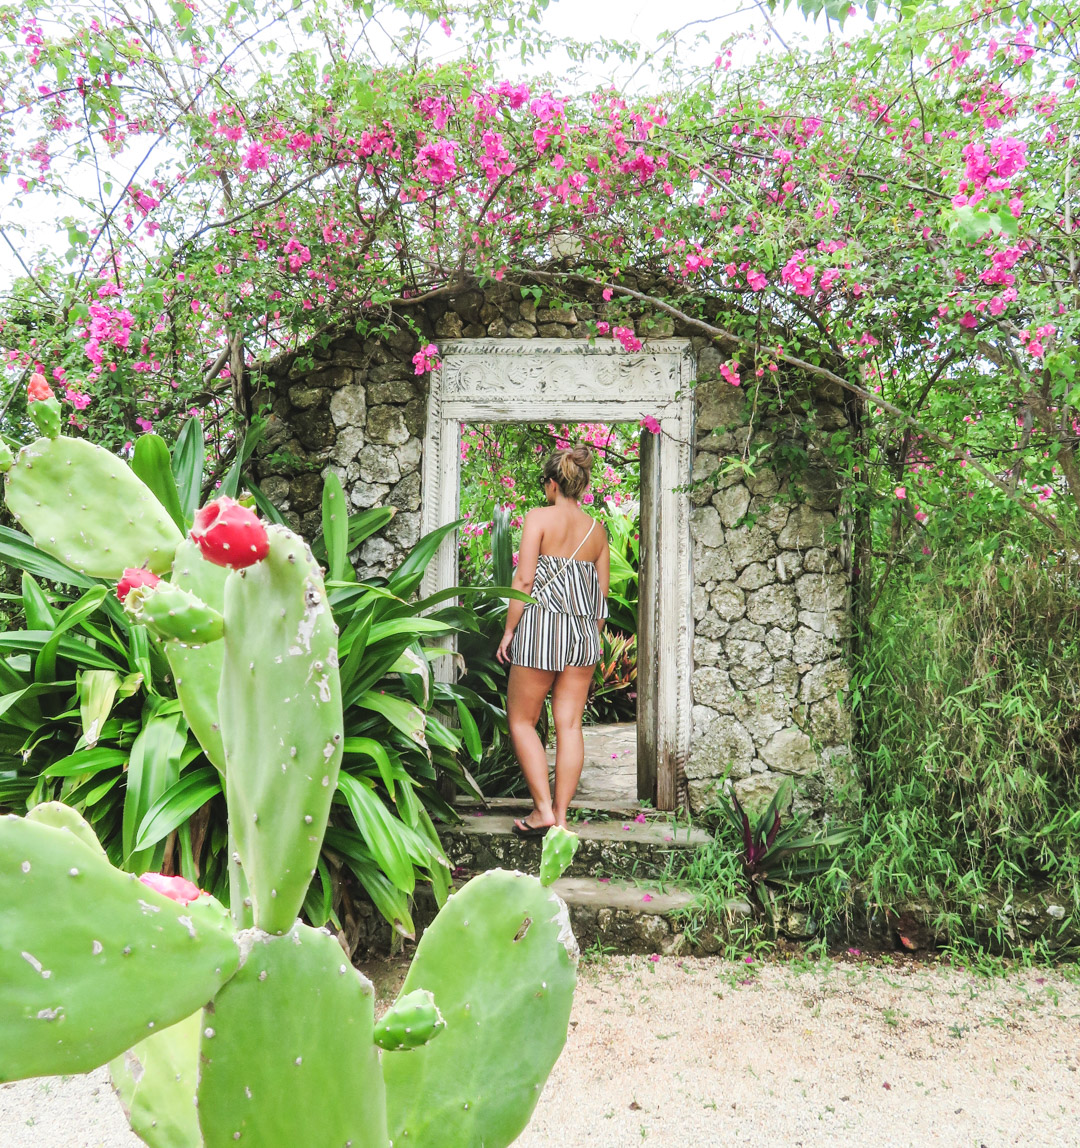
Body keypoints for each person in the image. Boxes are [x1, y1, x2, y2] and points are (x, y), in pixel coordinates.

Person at [495, 445, 610, 835]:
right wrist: (588, 638)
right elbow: (602, 594)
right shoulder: (598, 531)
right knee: (571, 724)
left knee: (522, 721)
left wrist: (510, 630)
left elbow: (524, 581)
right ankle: (560, 818)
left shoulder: (539, 518)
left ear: (552, 483)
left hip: (541, 627)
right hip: (582, 633)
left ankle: (541, 810)